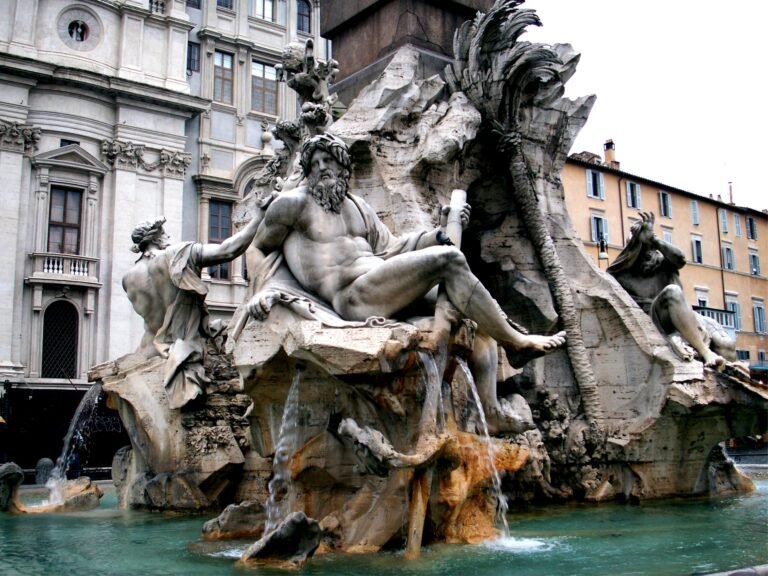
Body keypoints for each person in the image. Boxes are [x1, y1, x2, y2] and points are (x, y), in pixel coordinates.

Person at [248, 133, 565, 376]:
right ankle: (516, 342)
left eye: (327, 161)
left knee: (474, 314)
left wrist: (440, 230)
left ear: (343, 165)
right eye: (314, 164)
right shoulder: (293, 204)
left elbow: (392, 249)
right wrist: (267, 289)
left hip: (381, 285)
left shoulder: (359, 207)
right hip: (351, 297)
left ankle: (491, 411)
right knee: (450, 260)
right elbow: (257, 247)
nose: (321, 169)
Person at [123, 214, 261, 409]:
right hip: (183, 355)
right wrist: (260, 216)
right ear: (154, 238)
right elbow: (229, 250)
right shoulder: (177, 256)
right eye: (163, 232)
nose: (168, 236)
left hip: (149, 354)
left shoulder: (128, 278)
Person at [607, 212, 736, 368]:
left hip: (685, 313)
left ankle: (735, 373)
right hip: (656, 319)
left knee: (726, 344)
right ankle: (705, 352)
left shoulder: (664, 262)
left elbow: (681, 259)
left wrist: (653, 239)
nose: (647, 253)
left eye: (649, 248)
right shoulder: (622, 275)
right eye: (641, 248)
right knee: (672, 292)